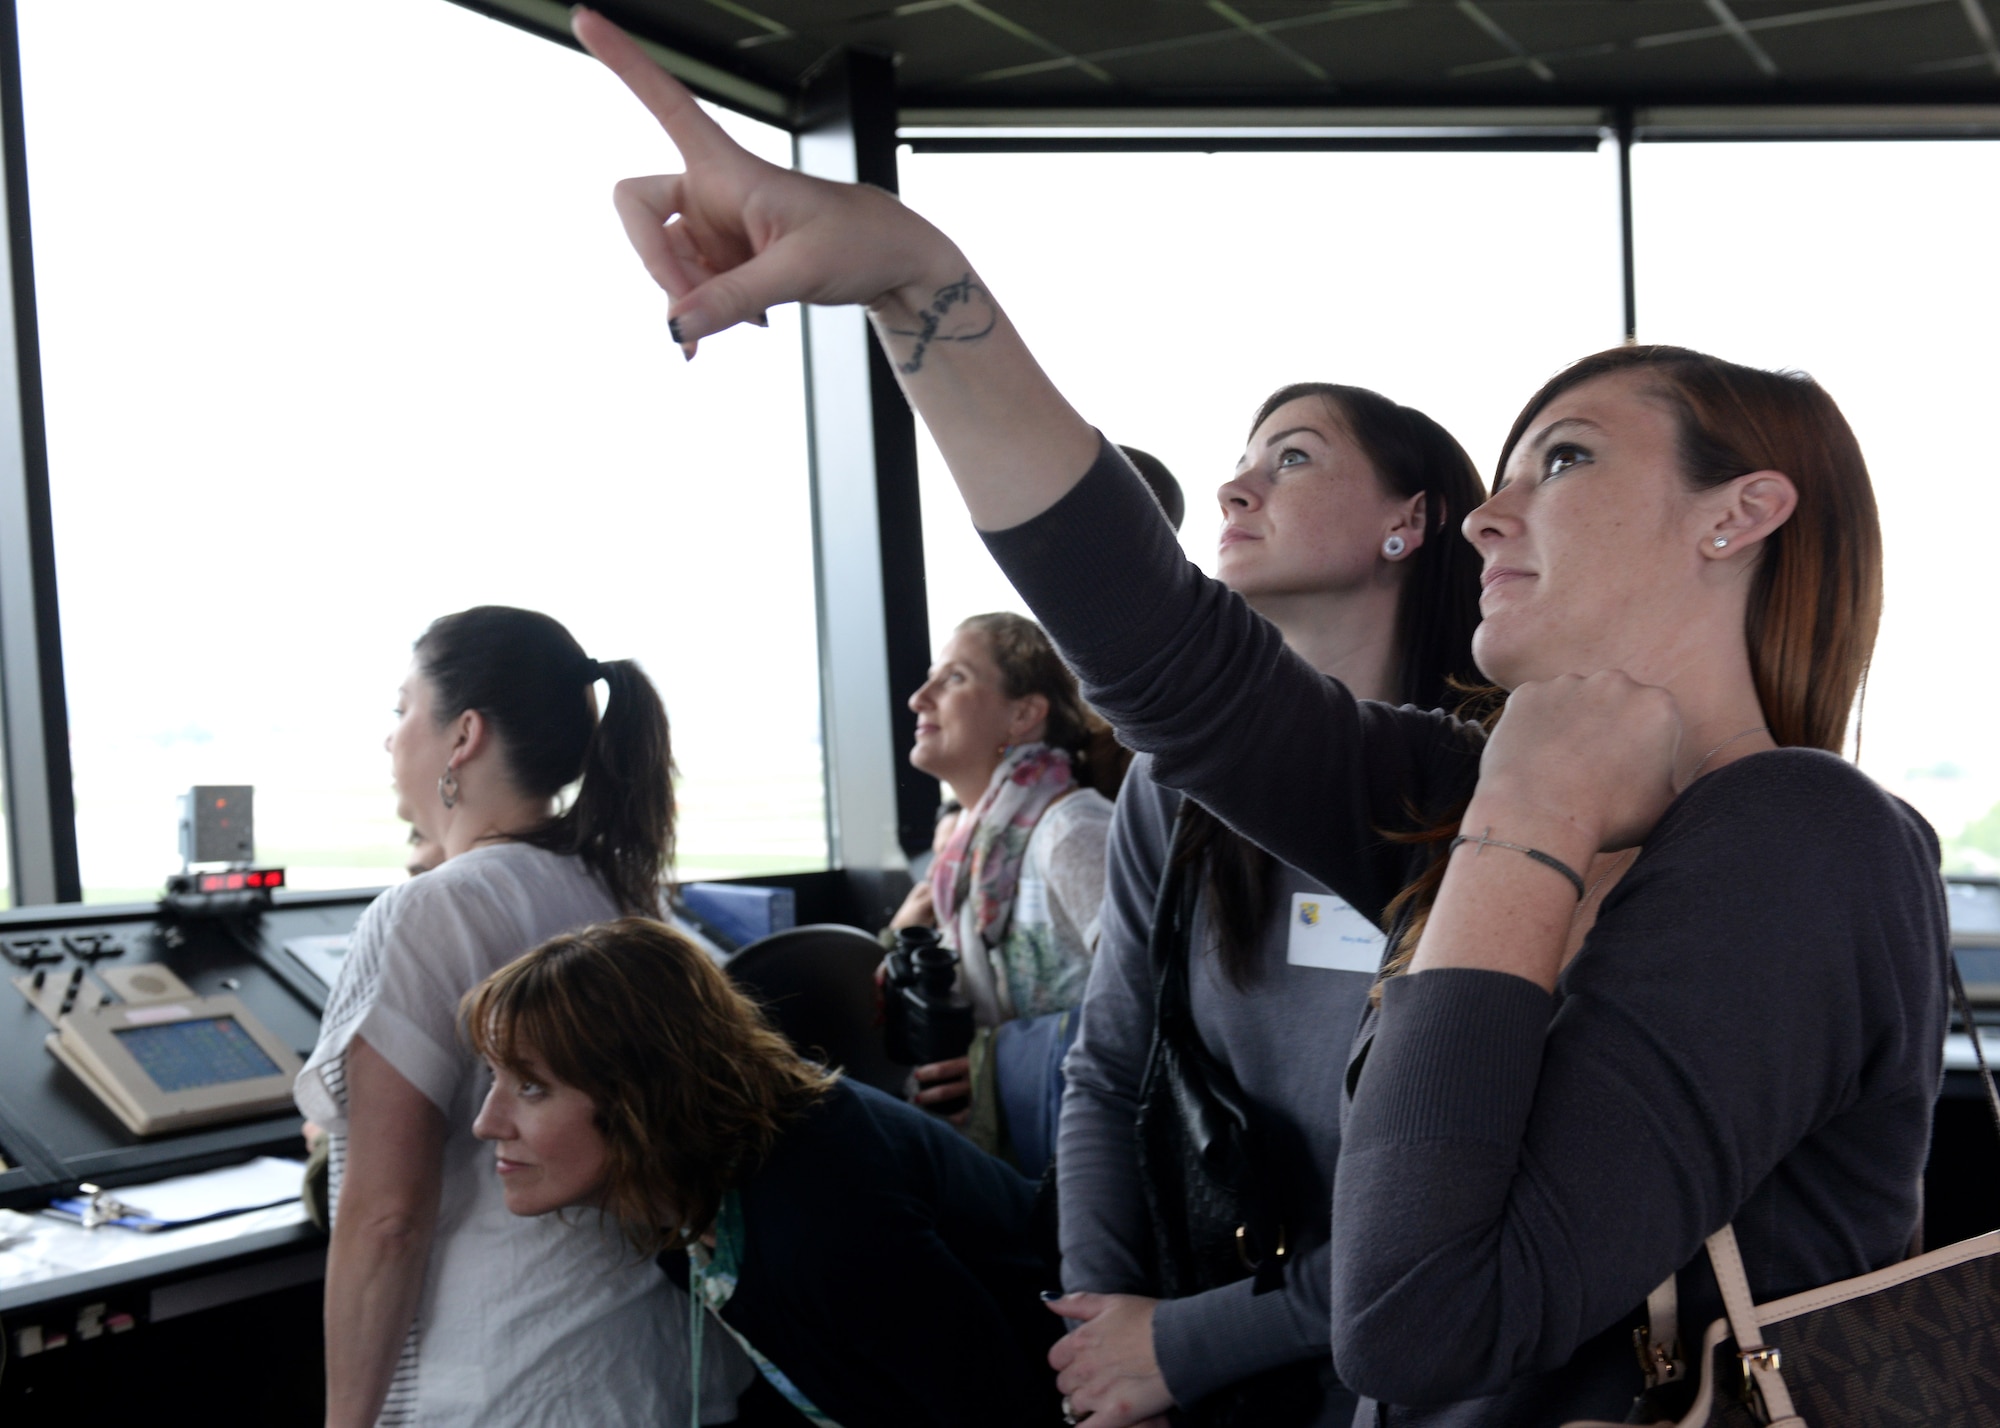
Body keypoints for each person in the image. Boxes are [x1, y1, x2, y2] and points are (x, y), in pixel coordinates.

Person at [566, 18, 1947, 1426]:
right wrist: (919, 288)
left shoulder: (1807, 841)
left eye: (1568, 459)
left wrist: (1526, 818)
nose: (1488, 511)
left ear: (1742, 514)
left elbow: (1423, 1323)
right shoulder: (1465, 783)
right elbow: (1175, 669)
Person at [1052, 383, 1485, 1428]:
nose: (1234, 487)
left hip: (1444, 1364)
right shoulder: (1173, 790)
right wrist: (1104, 1332)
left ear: (1409, 521)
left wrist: (1182, 1345)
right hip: (1215, 1362)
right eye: (1244, 459)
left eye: (1289, 458)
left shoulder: (1498, 785)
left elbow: (1493, 1192)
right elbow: (1108, 1069)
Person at [295, 605, 749, 1428]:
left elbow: (387, 1218)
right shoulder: (626, 897)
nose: (391, 739)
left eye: (403, 712)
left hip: (514, 1381)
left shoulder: (425, 915)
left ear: (462, 736)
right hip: (661, 1373)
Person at [464, 917, 1062, 1428]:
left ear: (642, 1095)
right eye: (495, 1078)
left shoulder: (820, 1223)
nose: (487, 1124)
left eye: (532, 1088)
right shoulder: (692, 1198)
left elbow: (1001, 1411)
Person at [889, 612, 1119, 1139]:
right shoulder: (966, 857)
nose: (919, 698)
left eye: (954, 678)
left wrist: (992, 1068)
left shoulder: (1070, 832)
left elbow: (1155, 1003)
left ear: (1023, 714)